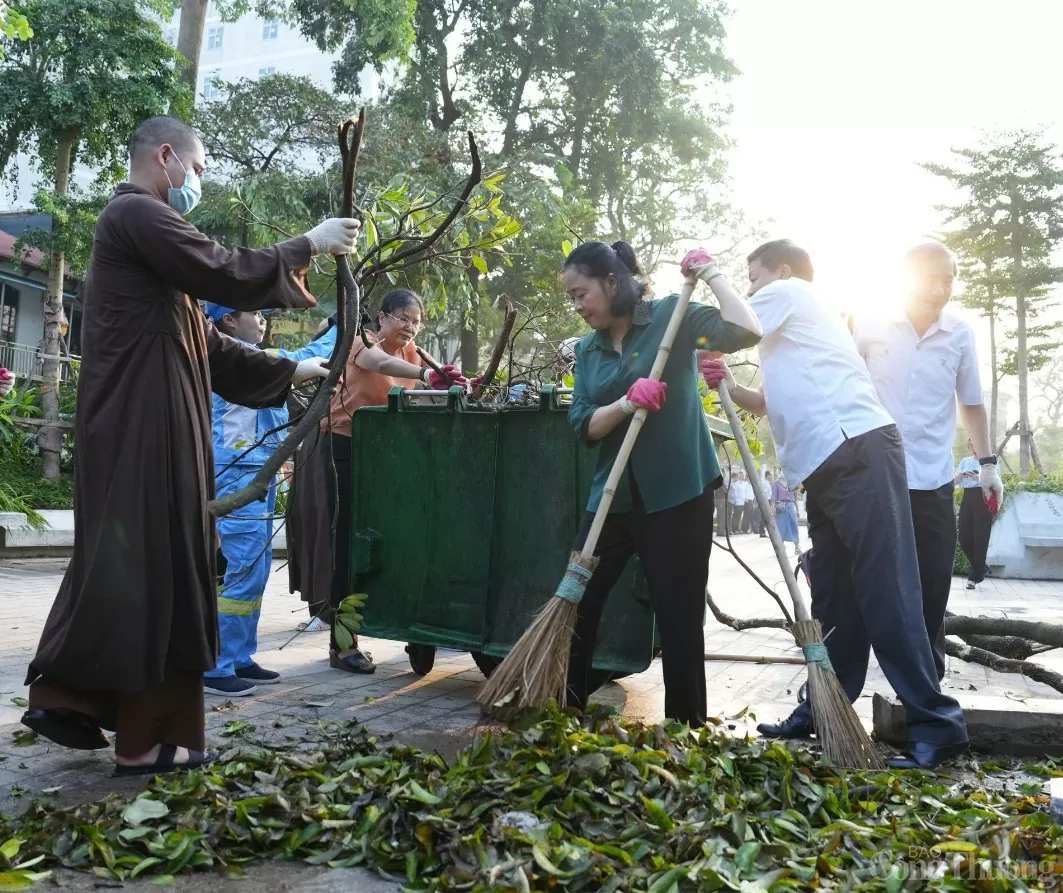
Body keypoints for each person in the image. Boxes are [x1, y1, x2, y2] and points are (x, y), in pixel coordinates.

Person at [20, 116, 354, 776]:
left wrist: (290, 369)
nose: (198, 182)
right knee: (148, 572)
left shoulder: (151, 252)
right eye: (198, 169)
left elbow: (207, 343)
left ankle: (88, 704)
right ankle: (138, 735)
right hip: (137, 432)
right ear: (166, 157)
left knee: (158, 569)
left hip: (156, 433)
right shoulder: (135, 214)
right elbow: (222, 268)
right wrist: (303, 245)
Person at [700, 238, 968, 769]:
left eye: (751, 277)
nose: (749, 286)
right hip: (829, 461)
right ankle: (826, 710)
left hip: (854, 450)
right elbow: (777, 400)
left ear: (778, 272)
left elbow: (727, 325)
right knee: (836, 597)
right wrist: (731, 383)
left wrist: (708, 278)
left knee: (886, 588)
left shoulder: (790, 291)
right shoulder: (797, 331)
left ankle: (937, 726)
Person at [565, 241, 762, 726]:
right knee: (577, 603)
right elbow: (582, 424)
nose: (578, 305)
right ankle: (562, 712)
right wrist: (625, 405)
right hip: (612, 495)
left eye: (581, 293)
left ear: (612, 282)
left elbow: (744, 330)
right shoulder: (588, 352)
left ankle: (686, 729)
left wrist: (712, 273)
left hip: (678, 493)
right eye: (571, 297)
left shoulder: (675, 318)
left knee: (678, 617)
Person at [854, 241, 1003, 680]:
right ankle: (836, 691)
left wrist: (988, 464)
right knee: (856, 585)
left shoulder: (959, 334)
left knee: (932, 586)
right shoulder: (868, 325)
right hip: (871, 479)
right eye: (930, 278)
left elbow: (971, 402)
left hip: (932, 481)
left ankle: (925, 694)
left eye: (949, 279)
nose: (940, 289)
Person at [320, 288, 465, 674]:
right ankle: (343, 645)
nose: (409, 326)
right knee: (350, 548)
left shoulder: (414, 353)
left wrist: (452, 384)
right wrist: (425, 374)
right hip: (343, 450)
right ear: (381, 318)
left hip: (388, 457)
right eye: (402, 317)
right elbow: (379, 363)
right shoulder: (361, 343)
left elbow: (415, 401)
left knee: (397, 544)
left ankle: (406, 627)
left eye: (416, 321)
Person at [203, 304, 338, 697]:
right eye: (255, 313)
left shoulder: (249, 358)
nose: (262, 320)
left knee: (256, 568)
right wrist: (337, 327)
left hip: (256, 466)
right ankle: (217, 665)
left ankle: (240, 655)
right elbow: (292, 361)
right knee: (244, 568)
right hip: (238, 468)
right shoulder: (232, 355)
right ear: (228, 320)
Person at [956, 440, 994, 590]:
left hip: (984, 499)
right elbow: (953, 482)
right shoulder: (965, 461)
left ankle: (974, 576)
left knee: (981, 538)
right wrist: (960, 476)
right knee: (964, 538)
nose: (973, 448)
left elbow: (996, 483)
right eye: (971, 445)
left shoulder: (990, 462)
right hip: (968, 498)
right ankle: (981, 567)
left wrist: (977, 479)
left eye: (976, 444)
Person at [770, 474, 800, 555]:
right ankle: (781, 547)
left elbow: (795, 498)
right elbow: (773, 497)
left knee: (794, 525)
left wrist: (797, 510)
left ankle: (797, 547)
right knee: (780, 527)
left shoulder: (792, 482)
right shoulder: (776, 483)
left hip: (790, 506)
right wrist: (772, 508)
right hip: (780, 507)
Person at [757, 470, 773, 537]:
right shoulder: (764, 483)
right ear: (767, 475)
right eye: (771, 475)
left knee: (765, 517)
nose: (772, 477)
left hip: (768, 501)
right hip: (766, 501)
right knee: (764, 517)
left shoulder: (768, 483)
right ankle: (762, 532)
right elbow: (764, 493)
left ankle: (763, 531)